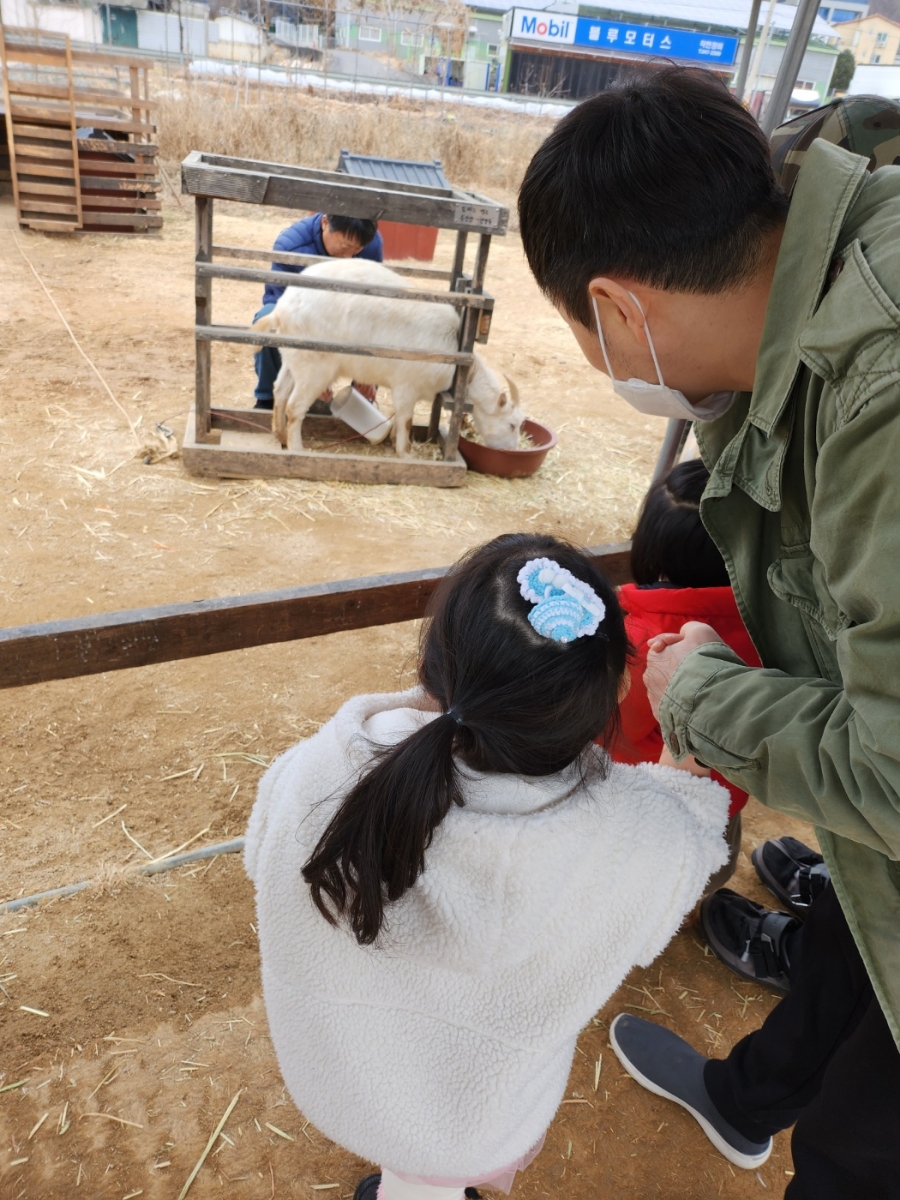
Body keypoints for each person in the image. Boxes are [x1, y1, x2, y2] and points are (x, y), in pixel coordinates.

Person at [518, 66, 900, 1196]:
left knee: (855, 1160)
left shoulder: (877, 398)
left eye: (588, 337)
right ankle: (755, 1095)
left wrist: (702, 695)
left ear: (621, 310)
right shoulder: (842, 227)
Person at [244, 533, 731, 1200]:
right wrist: (700, 711)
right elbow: (692, 838)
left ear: (432, 660)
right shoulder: (636, 841)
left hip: (341, 1080)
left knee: (407, 1175)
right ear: (618, 687)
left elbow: (257, 860)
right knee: (434, 1181)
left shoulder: (317, 774)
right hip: (478, 1121)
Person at [610, 458, 762, 892]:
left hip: (640, 802)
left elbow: (614, 727)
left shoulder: (633, 637)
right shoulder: (775, 630)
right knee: (702, 875)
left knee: (636, 887)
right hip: (721, 803)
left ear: (652, 550)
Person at [253, 213, 383, 410]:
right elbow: (283, 310)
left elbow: (372, 307)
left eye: (357, 250)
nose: (349, 256)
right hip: (301, 315)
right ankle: (268, 400)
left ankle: (360, 402)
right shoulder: (291, 246)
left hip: (345, 315)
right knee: (267, 320)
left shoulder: (371, 243)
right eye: (346, 246)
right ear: (325, 223)